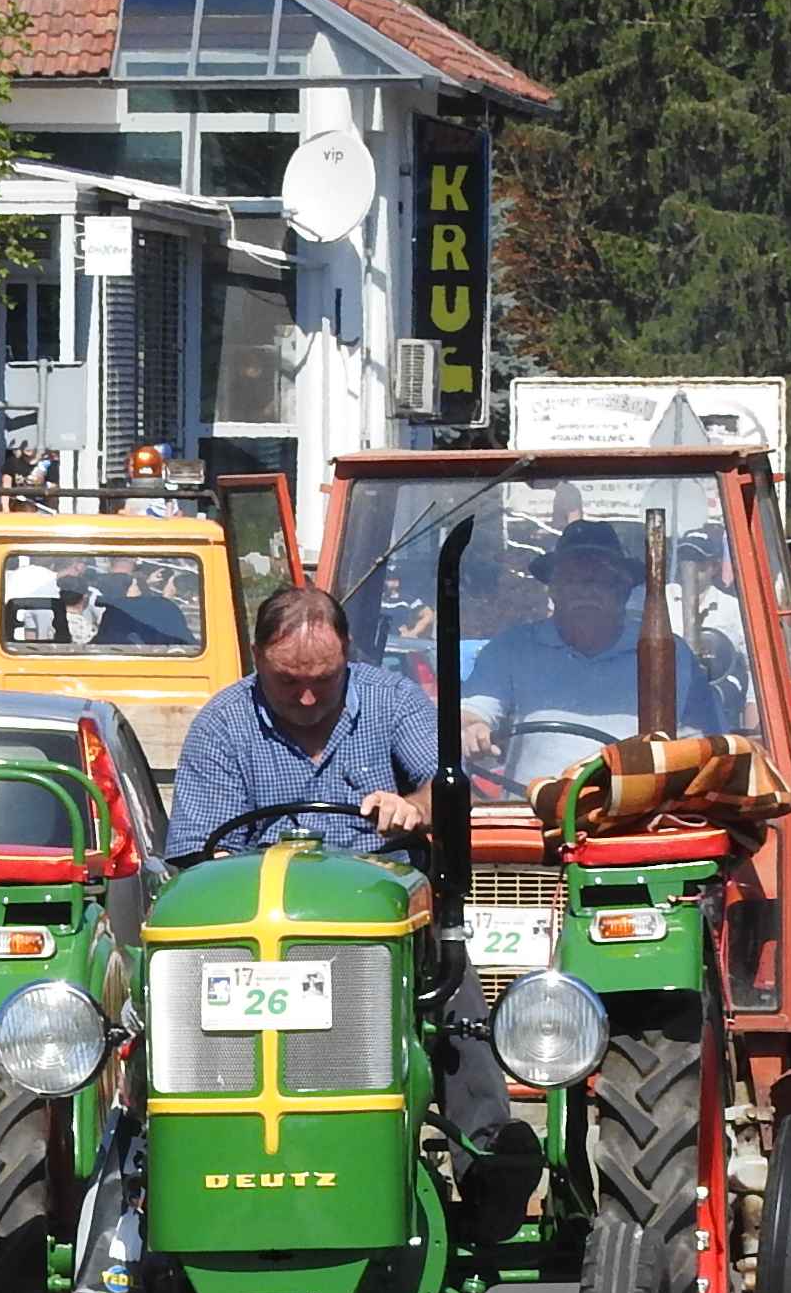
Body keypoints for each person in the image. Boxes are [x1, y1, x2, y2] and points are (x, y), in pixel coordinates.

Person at [162, 584, 536, 1233]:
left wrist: (412, 808)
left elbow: (444, 791)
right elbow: (198, 857)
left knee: (452, 993)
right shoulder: (224, 724)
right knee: (168, 1002)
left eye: (323, 681)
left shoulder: (392, 701)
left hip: (379, 923)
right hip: (263, 933)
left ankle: (485, 1159)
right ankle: (168, 1159)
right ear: (257, 659)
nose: (307, 699)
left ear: (348, 659)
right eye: (287, 683)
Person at [462, 520, 727, 791]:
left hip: (637, 822)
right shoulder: (513, 648)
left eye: (600, 581)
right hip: (529, 818)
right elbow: (472, 712)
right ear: (553, 590)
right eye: (573, 580)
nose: (586, 591)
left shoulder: (668, 655)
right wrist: (473, 728)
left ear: (623, 592)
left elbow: (708, 746)